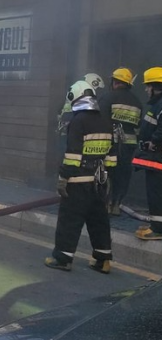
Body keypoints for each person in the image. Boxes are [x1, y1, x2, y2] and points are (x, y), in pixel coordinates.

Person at [45, 80, 116, 274]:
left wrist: (63, 178)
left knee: (70, 221)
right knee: (99, 220)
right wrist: (106, 177)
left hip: (78, 181)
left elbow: (73, 156)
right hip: (99, 182)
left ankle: (62, 258)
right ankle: (103, 261)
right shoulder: (106, 120)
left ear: (73, 97)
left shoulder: (78, 121)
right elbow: (111, 156)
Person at [97, 68, 142, 215]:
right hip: (129, 146)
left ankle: (105, 203)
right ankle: (116, 204)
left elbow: (99, 120)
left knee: (106, 172)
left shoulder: (107, 97)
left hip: (111, 144)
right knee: (123, 174)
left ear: (115, 82)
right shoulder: (137, 102)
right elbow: (138, 127)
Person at [132, 67, 162, 240]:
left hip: (158, 157)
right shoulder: (157, 104)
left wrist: (155, 142)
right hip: (155, 158)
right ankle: (156, 225)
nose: (145, 90)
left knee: (156, 192)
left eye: (147, 86)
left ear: (155, 86)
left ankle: (158, 229)